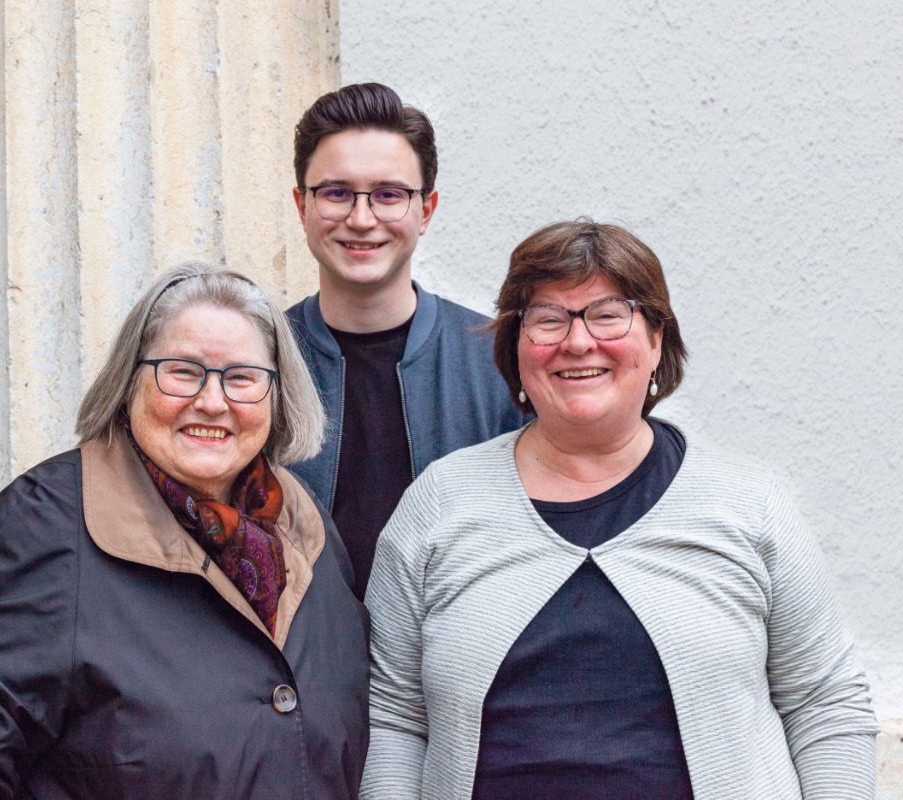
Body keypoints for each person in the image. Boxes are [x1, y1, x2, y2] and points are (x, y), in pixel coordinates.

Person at [362, 220, 878, 799]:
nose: (578, 342)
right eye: (548, 318)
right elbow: (395, 717)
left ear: (656, 341)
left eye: (609, 314)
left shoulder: (750, 504)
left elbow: (824, 704)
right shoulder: (438, 503)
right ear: (515, 348)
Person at [0, 262, 370, 799]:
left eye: (242, 378)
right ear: (129, 382)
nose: (212, 401)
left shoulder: (307, 531)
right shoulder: (43, 526)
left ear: (277, 396)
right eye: (183, 371)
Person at [287, 82, 524, 599]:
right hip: (292, 670)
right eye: (336, 192)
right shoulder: (258, 361)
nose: (362, 218)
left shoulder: (502, 360)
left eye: (389, 194)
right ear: (301, 205)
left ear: (427, 209)